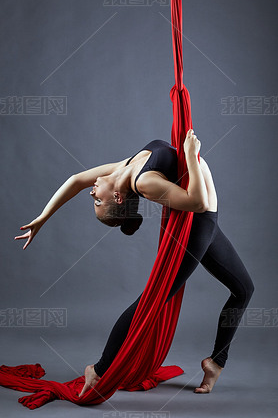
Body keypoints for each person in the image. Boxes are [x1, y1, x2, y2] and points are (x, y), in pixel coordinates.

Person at [14, 130, 254, 396]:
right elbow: (197, 203)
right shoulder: (145, 183)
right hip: (197, 227)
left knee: (243, 289)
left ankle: (215, 363)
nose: (92, 193)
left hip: (207, 223)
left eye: (94, 200)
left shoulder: (124, 167)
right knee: (151, 300)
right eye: (97, 201)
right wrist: (190, 154)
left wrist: (42, 218)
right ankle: (100, 369)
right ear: (118, 198)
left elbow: (75, 180)